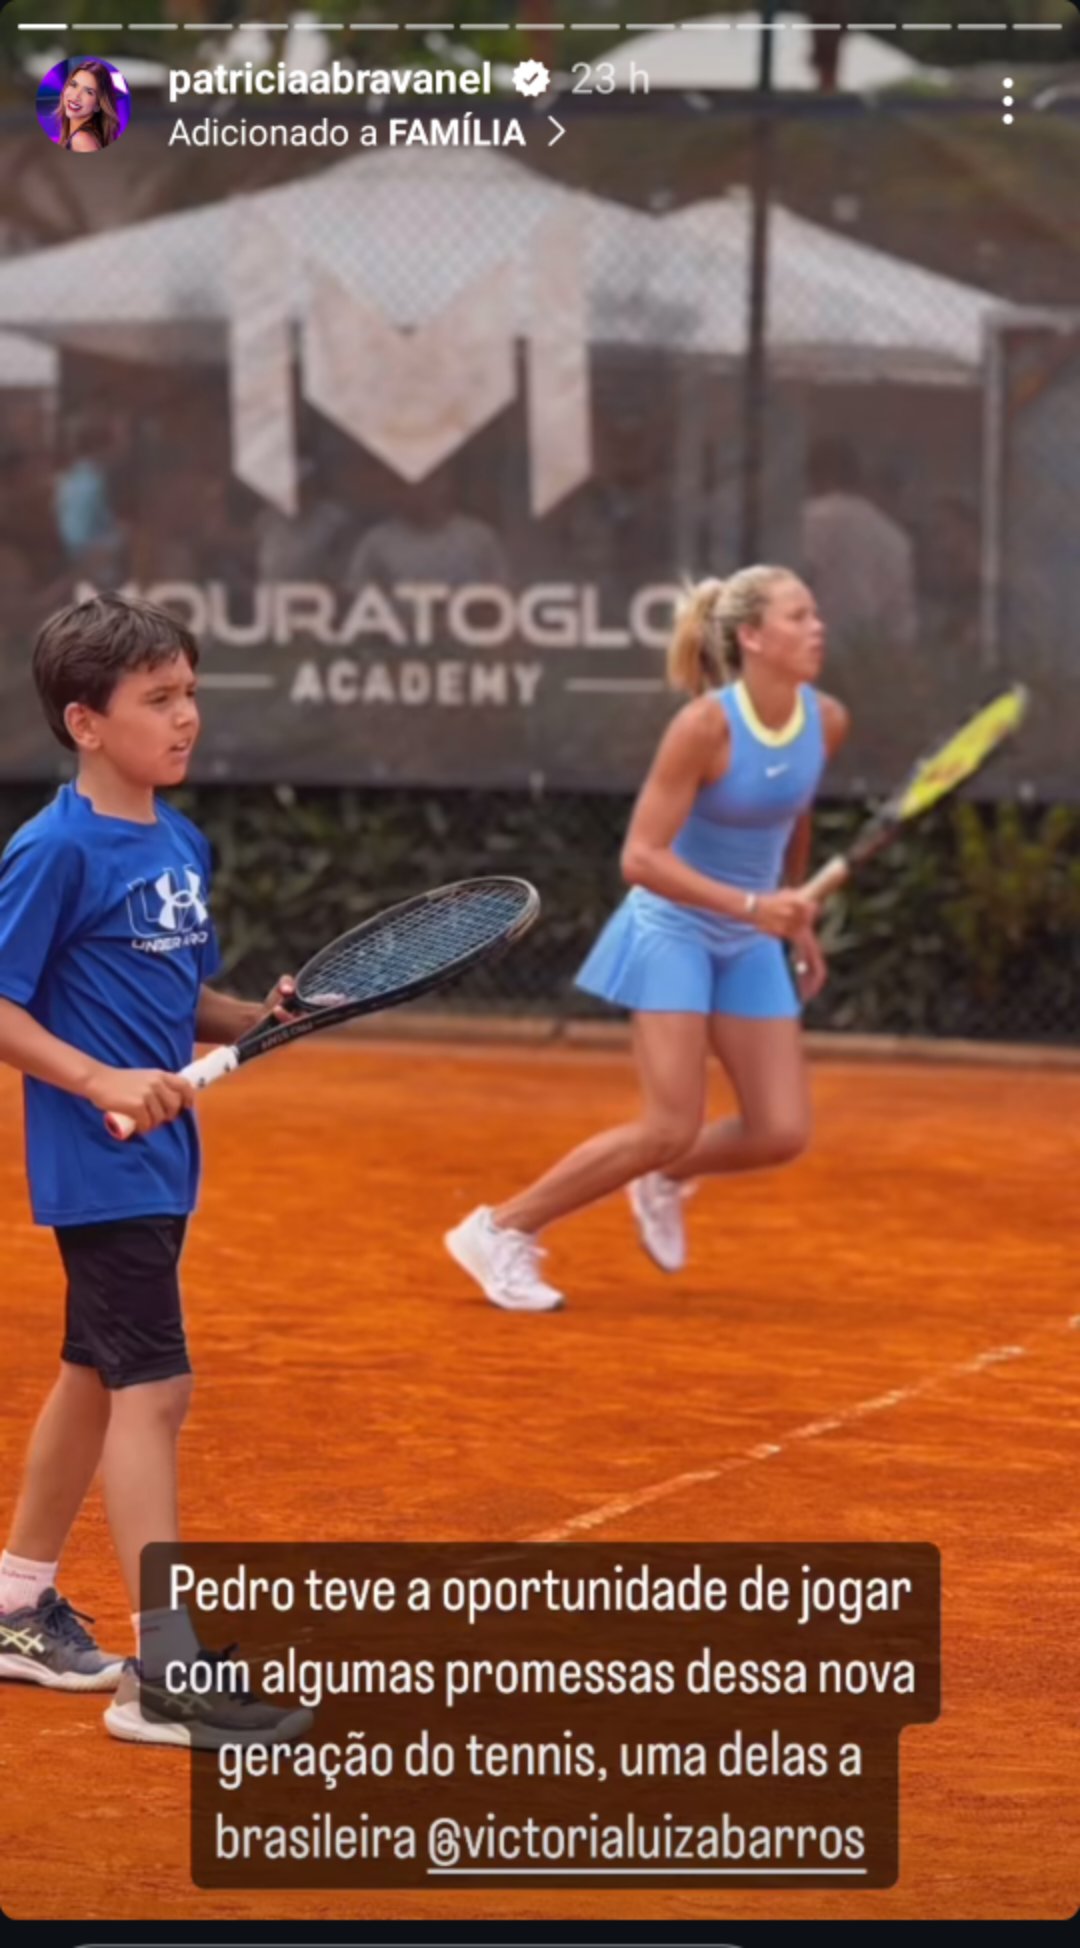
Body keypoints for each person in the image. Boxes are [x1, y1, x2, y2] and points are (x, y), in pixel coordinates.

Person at [0, 594, 309, 1747]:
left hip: (163, 1157)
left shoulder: (179, 842)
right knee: (155, 1389)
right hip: (101, 1159)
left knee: (93, 1370)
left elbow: (176, 998)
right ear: (86, 721)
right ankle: (162, 1675)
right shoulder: (53, 849)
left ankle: (18, 1600)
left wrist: (260, 1014)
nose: (187, 718)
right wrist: (98, 1081)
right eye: (159, 699)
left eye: (190, 692)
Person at [445, 564, 850, 1311]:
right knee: (670, 1122)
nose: (817, 627)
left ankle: (661, 1175)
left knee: (781, 1130)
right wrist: (754, 904)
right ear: (753, 637)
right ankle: (499, 1229)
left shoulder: (824, 719)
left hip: (750, 934)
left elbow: (792, 814)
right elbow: (640, 858)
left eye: (815, 613)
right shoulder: (703, 727)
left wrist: (795, 909)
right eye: (799, 616)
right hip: (674, 929)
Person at [800, 437, 917, 652]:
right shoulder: (893, 537)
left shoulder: (808, 522)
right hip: (868, 661)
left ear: (815, 475)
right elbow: (900, 621)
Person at [53, 60, 122, 153]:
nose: (76, 95)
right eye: (74, 85)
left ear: (98, 104)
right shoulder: (80, 136)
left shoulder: (82, 139)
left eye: (88, 92)